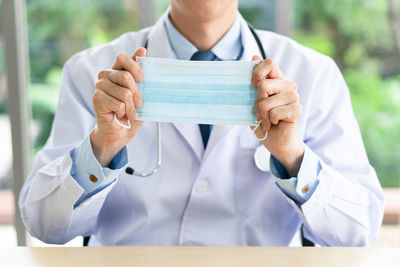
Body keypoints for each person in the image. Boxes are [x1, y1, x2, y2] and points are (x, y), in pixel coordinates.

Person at [19, 0, 384, 246]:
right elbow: (45, 223)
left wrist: (292, 154)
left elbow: (357, 229)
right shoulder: (93, 73)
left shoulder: (313, 74)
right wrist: (102, 146)